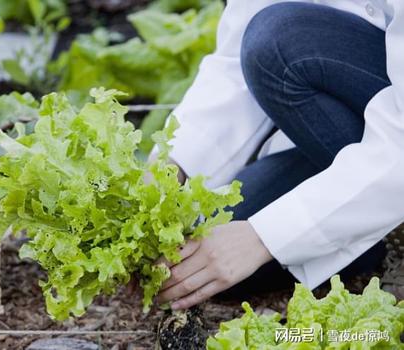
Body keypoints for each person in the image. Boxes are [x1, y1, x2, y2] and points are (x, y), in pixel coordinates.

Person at [156, 0, 404, 310]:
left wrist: (263, 238)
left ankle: (379, 222)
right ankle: (376, 232)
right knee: (207, 259)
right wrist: (171, 167)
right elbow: (235, 62)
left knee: (279, 39)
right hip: (362, 119)